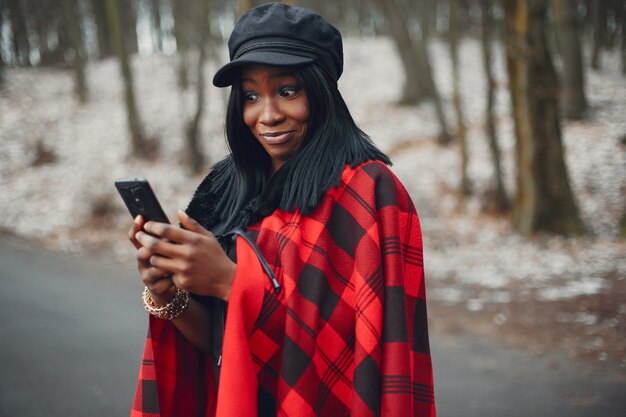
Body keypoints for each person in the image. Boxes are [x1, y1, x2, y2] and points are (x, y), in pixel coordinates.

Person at [128, 3, 435, 416]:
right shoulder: (223, 191)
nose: (267, 115)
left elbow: (346, 361)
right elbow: (220, 344)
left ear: (321, 90)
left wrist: (229, 282)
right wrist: (169, 291)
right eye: (251, 96)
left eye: (287, 91)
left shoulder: (367, 191)